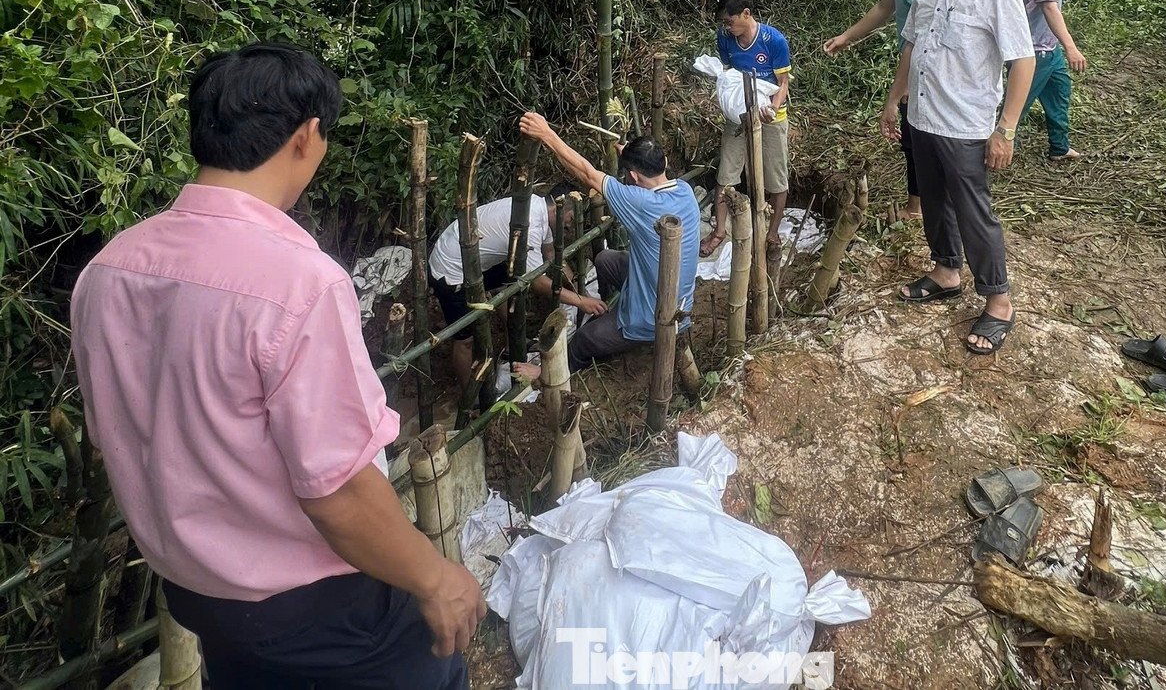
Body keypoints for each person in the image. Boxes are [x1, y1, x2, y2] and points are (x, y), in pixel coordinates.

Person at [70, 44, 485, 689]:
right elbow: (338, 491)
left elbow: (120, 432)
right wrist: (436, 578)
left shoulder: (110, 270)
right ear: (307, 136)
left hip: (201, 600)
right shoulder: (299, 284)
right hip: (321, 612)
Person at [878, 0, 1035, 356]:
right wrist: (893, 101)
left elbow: (1022, 60)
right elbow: (911, 47)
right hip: (922, 116)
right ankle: (947, 271)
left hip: (966, 124)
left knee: (973, 212)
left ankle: (999, 302)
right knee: (932, 199)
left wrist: (1005, 129)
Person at [519, 115, 700, 371]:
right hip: (679, 299)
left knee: (583, 339)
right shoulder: (684, 190)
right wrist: (631, 156)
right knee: (604, 259)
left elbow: (587, 173)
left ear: (634, 177)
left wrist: (547, 134)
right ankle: (611, 307)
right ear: (664, 163)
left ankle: (549, 372)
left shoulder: (639, 202)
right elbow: (642, 175)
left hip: (655, 318)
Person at [429, 185, 605, 400]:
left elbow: (550, 255)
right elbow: (537, 282)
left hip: (474, 258)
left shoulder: (542, 210)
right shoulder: (529, 223)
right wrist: (580, 302)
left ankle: (515, 342)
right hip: (451, 270)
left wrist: (577, 286)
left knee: (509, 278)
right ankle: (471, 398)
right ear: (560, 211)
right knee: (465, 339)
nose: (569, 225)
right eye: (570, 219)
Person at [822, 0, 929, 222]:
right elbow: (884, 7)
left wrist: (897, 94)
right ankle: (919, 205)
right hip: (913, 63)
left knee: (915, 140)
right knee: (913, 140)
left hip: (920, 67)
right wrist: (846, 37)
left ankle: (917, 209)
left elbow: (917, 42)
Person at [701, 0, 792, 256]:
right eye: (724, 24)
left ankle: (772, 232)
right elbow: (728, 75)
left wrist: (772, 110)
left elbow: (782, 83)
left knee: (776, 179)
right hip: (739, 115)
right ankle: (719, 231)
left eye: (730, 22)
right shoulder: (724, 39)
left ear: (746, 14)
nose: (727, 28)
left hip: (771, 116)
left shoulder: (773, 40)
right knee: (726, 174)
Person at [1017, 0, 1091, 162]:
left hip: (1049, 47)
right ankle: (987, 150)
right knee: (1017, 104)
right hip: (1035, 48)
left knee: (1059, 92)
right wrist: (1071, 46)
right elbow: (1049, 6)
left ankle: (1059, 147)